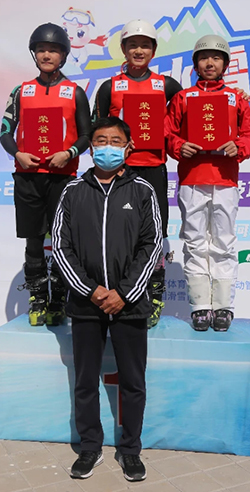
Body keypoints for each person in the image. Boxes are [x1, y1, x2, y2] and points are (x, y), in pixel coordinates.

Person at [52, 117, 162, 481]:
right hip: (87, 304)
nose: (107, 147)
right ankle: (90, 446)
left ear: (129, 147)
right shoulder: (72, 191)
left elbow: (152, 245)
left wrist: (124, 293)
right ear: (91, 147)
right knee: (85, 380)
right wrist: (91, 290)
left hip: (130, 304)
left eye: (116, 141)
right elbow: (61, 246)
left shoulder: (142, 190)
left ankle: (130, 450)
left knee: (133, 381)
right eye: (101, 140)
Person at [164, 35, 250, 332]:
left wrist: (239, 146)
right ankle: (199, 306)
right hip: (192, 180)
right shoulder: (183, 98)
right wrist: (179, 145)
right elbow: (166, 133)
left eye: (216, 58)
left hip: (225, 180)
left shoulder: (236, 98)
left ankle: (223, 306)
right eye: (204, 57)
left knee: (224, 242)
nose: (210, 63)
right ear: (195, 64)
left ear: (226, 64)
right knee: (195, 242)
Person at [92, 19, 183, 328]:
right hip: (119, 171)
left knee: (154, 233)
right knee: (119, 232)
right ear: (123, 49)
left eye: (145, 45)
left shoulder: (167, 85)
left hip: (154, 168)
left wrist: (237, 96)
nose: (139, 50)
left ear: (154, 50)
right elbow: (97, 128)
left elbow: (191, 113)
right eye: (133, 45)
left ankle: (154, 295)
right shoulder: (110, 87)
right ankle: (121, 294)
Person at [0, 23, 91, 326]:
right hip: (28, 177)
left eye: (53, 50)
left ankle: (58, 300)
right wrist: (18, 154)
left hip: (62, 178)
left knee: (64, 241)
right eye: (41, 50)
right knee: (34, 241)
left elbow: (87, 135)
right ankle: (37, 298)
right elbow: (5, 133)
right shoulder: (21, 91)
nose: (47, 55)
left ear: (63, 55)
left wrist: (69, 153)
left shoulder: (75, 92)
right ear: (34, 54)